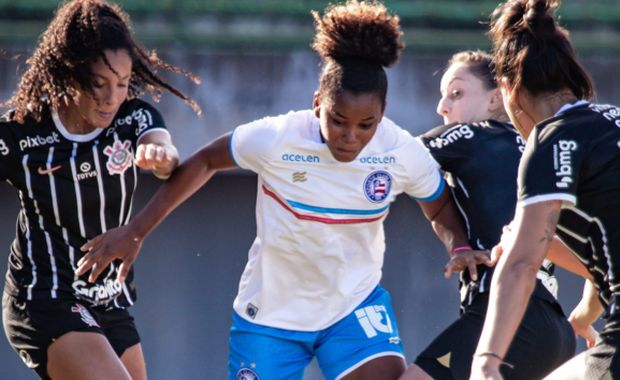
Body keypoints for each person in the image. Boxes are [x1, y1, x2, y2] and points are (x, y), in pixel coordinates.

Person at [75, 1, 475, 379]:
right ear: (317, 102)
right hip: (270, 317)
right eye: (337, 120)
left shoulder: (399, 151)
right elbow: (205, 160)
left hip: (353, 307)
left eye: (365, 125)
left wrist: (459, 246)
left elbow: (438, 205)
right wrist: (136, 231)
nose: (350, 136)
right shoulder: (278, 137)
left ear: (382, 115)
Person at [0, 0, 201, 379]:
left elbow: (165, 151)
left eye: (122, 84)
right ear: (68, 74)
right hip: (45, 296)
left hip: (107, 300)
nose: (112, 97)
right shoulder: (23, 134)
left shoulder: (133, 118)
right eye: (99, 84)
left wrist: (161, 157)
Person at [398, 50, 576, 380]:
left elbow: (394, 157)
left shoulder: (474, 135)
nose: (442, 107)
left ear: (496, 99)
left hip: (512, 318)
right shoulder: (534, 149)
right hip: (555, 328)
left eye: (457, 93)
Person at [470, 0, 620, 379]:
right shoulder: (611, 121)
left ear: (508, 88)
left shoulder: (551, 139)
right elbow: (604, 247)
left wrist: (486, 363)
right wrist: (584, 317)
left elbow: (522, 263)